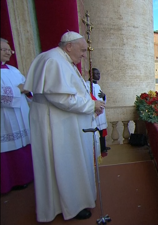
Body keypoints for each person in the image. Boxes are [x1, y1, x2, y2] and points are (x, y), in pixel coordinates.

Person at [24, 31, 105, 222]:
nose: (84, 54)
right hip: (56, 124)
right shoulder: (54, 60)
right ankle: (71, 206)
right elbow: (61, 98)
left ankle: (63, 204)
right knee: (65, 163)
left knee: (62, 163)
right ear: (69, 46)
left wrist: (91, 108)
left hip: (61, 121)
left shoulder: (61, 59)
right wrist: (91, 105)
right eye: (82, 50)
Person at [0, 38, 34, 194]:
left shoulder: (13, 70)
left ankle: (25, 178)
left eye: (9, 50)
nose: (8, 52)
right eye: (4, 49)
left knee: (24, 145)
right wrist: (19, 90)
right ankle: (8, 183)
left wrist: (29, 90)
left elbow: (26, 87)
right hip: (5, 117)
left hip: (21, 113)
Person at [86, 67, 110, 153]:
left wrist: (104, 96)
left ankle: (103, 147)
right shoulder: (87, 85)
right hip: (95, 113)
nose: (98, 75)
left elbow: (102, 98)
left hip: (101, 112)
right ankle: (99, 149)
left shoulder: (97, 85)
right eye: (96, 74)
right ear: (91, 74)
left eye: (99, 74)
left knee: (102, 131)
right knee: (97, 132)